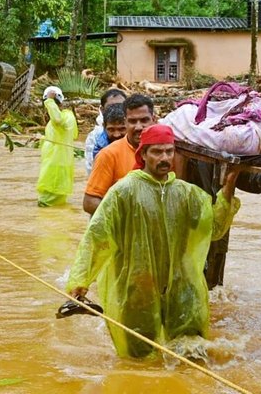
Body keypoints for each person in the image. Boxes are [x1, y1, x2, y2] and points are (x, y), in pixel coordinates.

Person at [66, 124, 241, 358]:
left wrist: (227, 192)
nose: (165, 157)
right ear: (143, 154)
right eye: (157, 152)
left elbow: (214, 230)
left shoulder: (188, 194)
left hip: (181, 286)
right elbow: (98, 236)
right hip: (137, 286)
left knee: (190, 353)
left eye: (169, 151)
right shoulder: (123, 192)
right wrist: (81, 279)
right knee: (139, 357)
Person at [83, 94, 156, 215]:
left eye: (144, 120)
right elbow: (89, 202)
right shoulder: (108, 154)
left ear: (154, 120)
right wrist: (127, 216)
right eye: (132, 121)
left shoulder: (166, 152)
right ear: (125, 122)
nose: (138, 127)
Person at [36, 86, 78, 207]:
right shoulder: (54, 120)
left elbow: (58, 121)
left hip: (58, 165)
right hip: (51, 164)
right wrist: (42, 138)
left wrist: (49, 100)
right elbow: (56, 137)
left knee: (47, 202)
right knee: (48, 204)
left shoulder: (66, 116)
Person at [84, 88, 127, 174]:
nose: (116, 110)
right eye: (111, 107)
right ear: (102, 110)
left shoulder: (136, 132)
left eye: (120, 106)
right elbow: (93, 170)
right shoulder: (95, 137)